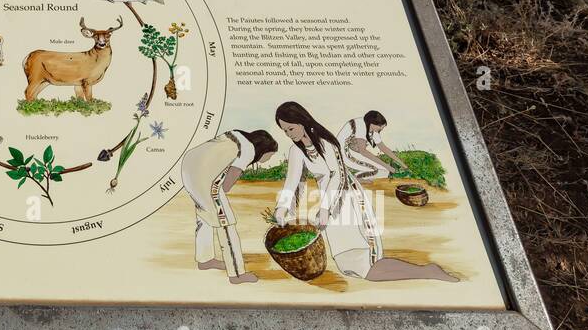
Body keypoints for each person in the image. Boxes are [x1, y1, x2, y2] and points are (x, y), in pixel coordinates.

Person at [273, 101, 456, 282]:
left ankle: (427, 272)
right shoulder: (295, 151)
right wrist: (281, 208)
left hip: (346, 197)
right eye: (285, 131)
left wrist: (325, 208)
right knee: (347, 264)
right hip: (328, 200)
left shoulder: (326, 142)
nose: (289, 134)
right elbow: (292, 181)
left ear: (302, 121)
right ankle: (424, 272)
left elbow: (338, 175)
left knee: (363, 263)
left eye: (291, 128)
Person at [180, 129, 278, 284]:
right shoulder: (248, 151)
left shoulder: (236, 135)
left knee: (204, 218)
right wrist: (222, 189)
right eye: (270, 155)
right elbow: (228, 183)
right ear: (264, 150)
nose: (269, 158)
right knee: (226, 224)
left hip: (190, 168)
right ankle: (237, 274)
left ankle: (205, 260)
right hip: (203, 177)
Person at [338, 110, 409, 181]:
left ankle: (358, 179)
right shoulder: (361, 125)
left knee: (385, 171)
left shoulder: (373, 128)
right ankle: (353, 180)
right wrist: (387, 166)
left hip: (353, 151)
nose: (381, 129)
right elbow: (363, 151)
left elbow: (383, 148)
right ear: (373, 124)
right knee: (379, 170)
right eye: (380, 127)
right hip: (343, 153)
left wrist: (402, 164)